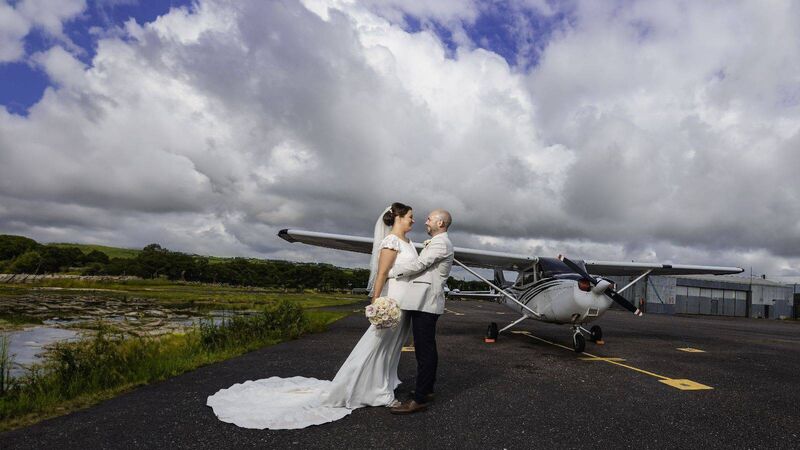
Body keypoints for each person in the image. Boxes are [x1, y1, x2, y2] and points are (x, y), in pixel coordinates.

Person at [206, 203, 417, 429]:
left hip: (405, 304)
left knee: (392, 349)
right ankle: (371, 390)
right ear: (398, 218)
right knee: (378, 346)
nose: (413, 221)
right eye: (410, 217)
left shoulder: (409, 242)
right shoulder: (391, 242)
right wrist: (376, 301)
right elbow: (382, 273)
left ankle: (382, 383)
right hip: (392, 302)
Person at [388, 209, 454, 414]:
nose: (425, 222)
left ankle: (419, 399)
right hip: (422, 302)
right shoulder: (437, 242)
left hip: (426, 302)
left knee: (425, 350)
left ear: (441, 223)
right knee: (425, 348)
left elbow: (420, 263)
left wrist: (393, 272)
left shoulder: (441, 243)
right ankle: (426, 390)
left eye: (429, 219)